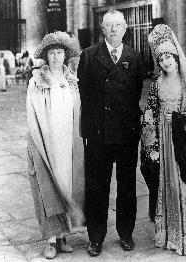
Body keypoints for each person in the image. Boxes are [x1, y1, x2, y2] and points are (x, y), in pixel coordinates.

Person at [142, 24, 186, 256]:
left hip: (183, 142)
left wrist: (185, 124)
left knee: (185, 183)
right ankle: (172, 234)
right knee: (167, 183)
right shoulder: (156, 85)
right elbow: (150, 114)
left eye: (169, 56)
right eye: (161, 58)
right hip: (164, 141)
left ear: (176, 56)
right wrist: (151, 145)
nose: (165, 62)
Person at [77, 10, 143, 257]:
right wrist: (88, 129)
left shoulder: (134, 57)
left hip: (126, 133)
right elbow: (83, 94)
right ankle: (95, 238)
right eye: (109, 25)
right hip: (97, 135)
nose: (114, 29)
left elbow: (135, 93)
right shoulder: (89, 55)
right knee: (97, 188)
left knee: (127, 187)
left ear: (125, 29)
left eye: (118, 25)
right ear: (102, 29)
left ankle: (126, 233)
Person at [26, 31, 85, 259]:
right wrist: (38, 141)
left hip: (67, 141)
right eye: (52, 53)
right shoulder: (37, 82)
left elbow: (77, 112)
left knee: (66, 185)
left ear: (65, 55)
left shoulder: (71, 81)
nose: (56, 57)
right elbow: (32, 114)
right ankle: (50, 240)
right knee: (48, 188)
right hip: (46, 141)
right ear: (46, 56)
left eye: (60, 53)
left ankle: (63, 237)